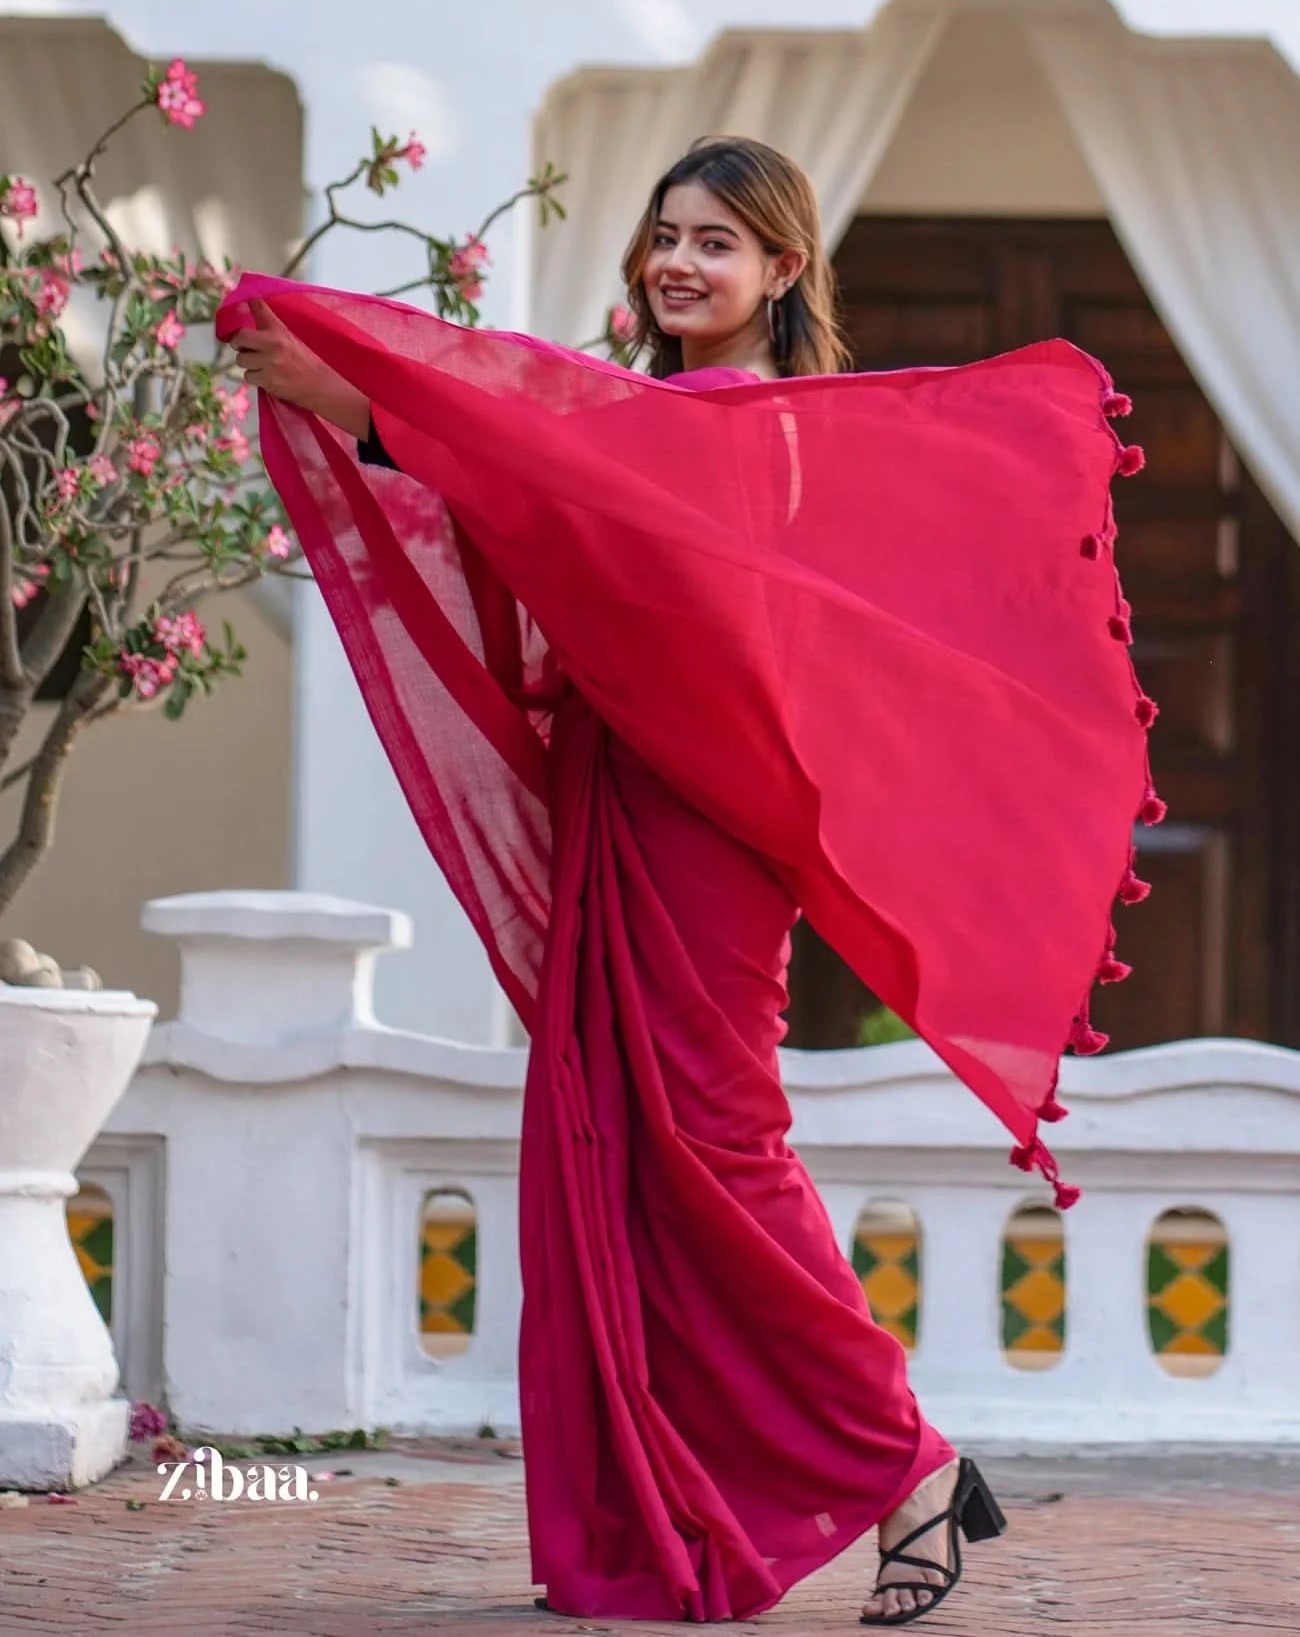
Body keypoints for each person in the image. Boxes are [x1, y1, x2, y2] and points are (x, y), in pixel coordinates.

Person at [222, 134, 1156, 1625]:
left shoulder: (736, 424)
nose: (678, 261)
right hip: (621, 793)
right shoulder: (653, 416)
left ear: (783, 270)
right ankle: (665, 1515)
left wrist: (368, 399)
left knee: (715, 1145)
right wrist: (377, 407)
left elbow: (552, 463)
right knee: (620, 1146)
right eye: (666, 233)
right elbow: (543, 490)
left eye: (716, 241)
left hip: (706, 825)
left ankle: (906, 1458)